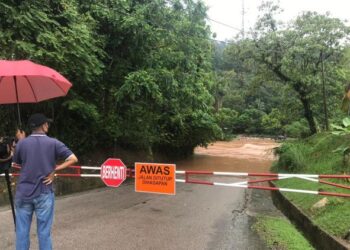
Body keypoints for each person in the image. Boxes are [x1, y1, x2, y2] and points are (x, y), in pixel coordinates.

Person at [12, 113, 78, 250]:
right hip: (44, 192)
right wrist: (55, 170)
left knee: (22, 232)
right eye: (47, 123)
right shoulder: (54, 143)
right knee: (44, 233)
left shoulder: (22, 143)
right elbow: (73, 158)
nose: (48, 125)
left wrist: (20, 141)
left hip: (23, 193)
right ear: (43, 125)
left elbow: (16, 161)